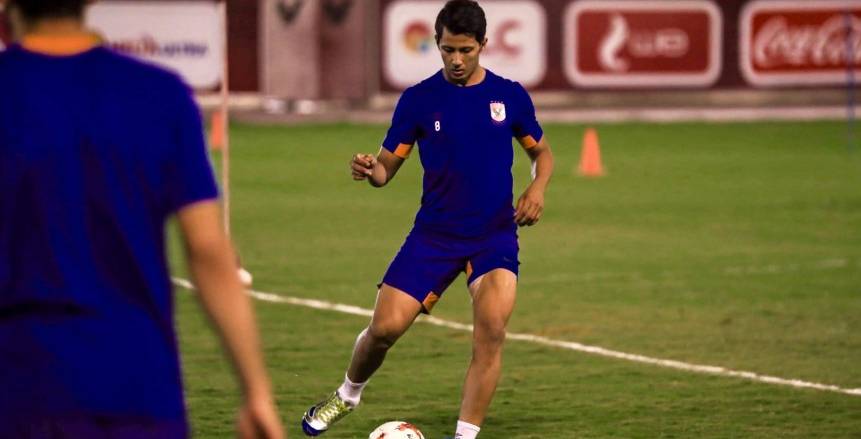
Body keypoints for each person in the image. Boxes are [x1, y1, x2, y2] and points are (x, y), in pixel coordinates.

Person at [0, 1, 284, 437]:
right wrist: (256, 391)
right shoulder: (159, 94)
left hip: (21, 385)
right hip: (138, 384)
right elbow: (208, 250)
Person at [300, 1, 553, 437]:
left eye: (466, 50)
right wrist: (369, 169)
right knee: (384, 329)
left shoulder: (509, 96)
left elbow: (542, 153)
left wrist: (537, 188)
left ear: (483, 44)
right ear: (436, 43)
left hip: (493, 237)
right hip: (434, 236)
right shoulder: (418, 100)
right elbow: (385, 170)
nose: (456, 60)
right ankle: (347, 394)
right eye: (448, 49)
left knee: (491, 331)